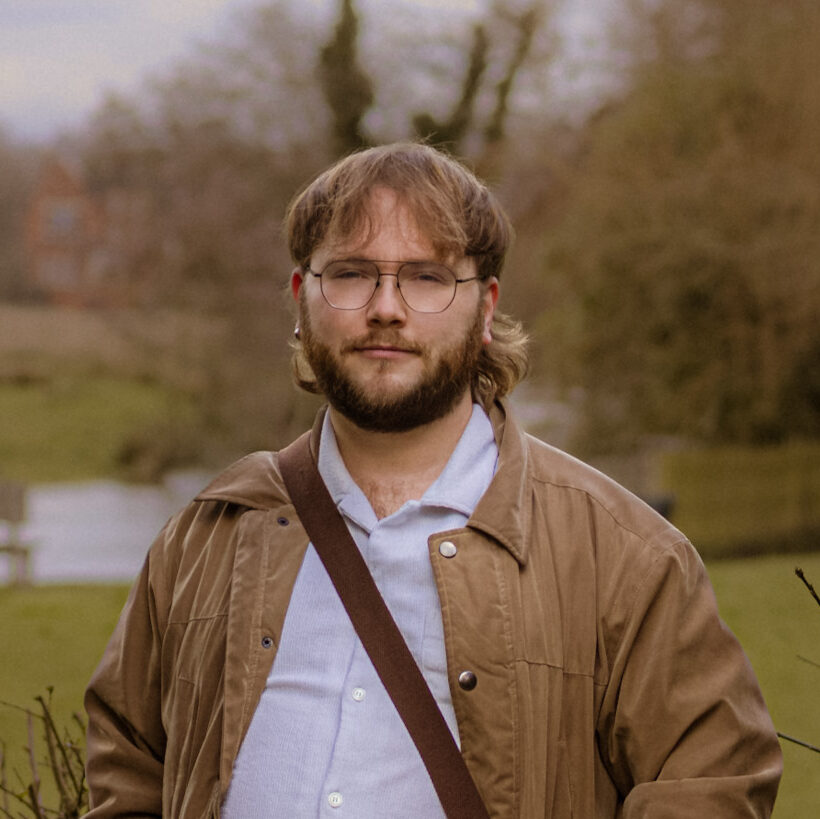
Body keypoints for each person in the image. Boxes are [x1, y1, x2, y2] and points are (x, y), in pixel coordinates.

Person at [84, 142, 782, 818]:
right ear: (302, 298)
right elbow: (127, 767)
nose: (386, 307)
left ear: (485, 308)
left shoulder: (627, 559)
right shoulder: (205, 539)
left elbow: (710, 784)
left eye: (426, 277)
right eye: (351, 273)